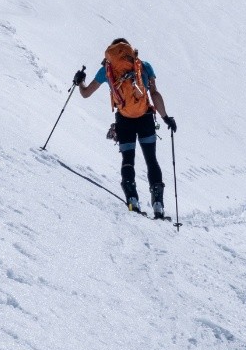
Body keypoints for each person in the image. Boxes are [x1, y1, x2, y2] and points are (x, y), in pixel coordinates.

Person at [74, 38, 176, 217]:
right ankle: (158, 205)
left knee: (128, 159)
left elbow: (86, 94)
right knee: (151, 159)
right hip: (145, 118)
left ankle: (132, 200)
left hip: (124, 121)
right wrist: (166, 118)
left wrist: (80, 82)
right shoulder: (143, 66)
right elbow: (154, 94)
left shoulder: (107, 71)